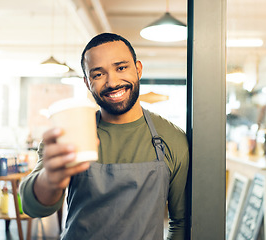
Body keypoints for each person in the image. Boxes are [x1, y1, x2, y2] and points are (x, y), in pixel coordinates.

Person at [19, 33, 189, 240]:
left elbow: (180, 222)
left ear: (138, 69)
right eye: (98, 74)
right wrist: (51, 180)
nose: (112, 82)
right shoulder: (70, 134)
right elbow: (32, 207)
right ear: (86, 82)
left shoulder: (172, 138)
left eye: (121, 68)